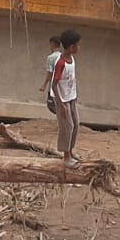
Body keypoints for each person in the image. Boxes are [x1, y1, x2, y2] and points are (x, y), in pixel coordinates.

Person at [50, 29, 81, 165]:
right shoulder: (61, 63)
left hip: (71, 97)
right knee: (67, 127)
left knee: (76, 125)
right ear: (71, 47)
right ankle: (66, 156)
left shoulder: (71, 59)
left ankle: (71, 151)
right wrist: (61, 104)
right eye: (77, 45)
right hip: (62, 100)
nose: (79, 48)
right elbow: (54, 84)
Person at [40, 34, 62, 113]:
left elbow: (50, 72)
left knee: (51, 105)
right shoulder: (62, 56)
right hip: (62, 85)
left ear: (52, 44)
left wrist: (44, 85)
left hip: (54, 85)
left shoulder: (51, 57)